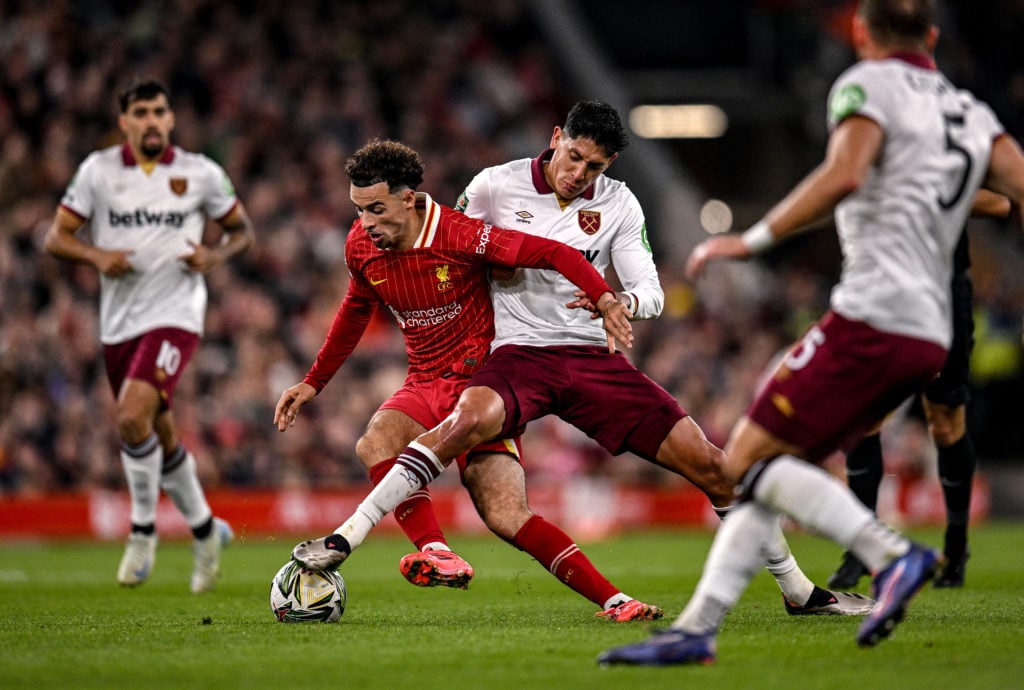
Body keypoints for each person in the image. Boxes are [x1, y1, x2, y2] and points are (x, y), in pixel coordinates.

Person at [289, 101, 872, 620]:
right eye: (572, 156)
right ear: (554, 136)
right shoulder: (494, 185)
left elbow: (652, 291)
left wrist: (623, 301)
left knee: (715, 467)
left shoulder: (620, 205)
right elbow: (456, 246)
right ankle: (351, 538)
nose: (578, 173)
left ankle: (799, 591)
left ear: (608, 165)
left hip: (592, 358)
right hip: (515, 355)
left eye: (594, 166)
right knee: (462, 421)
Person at [598, 0, 1024, 666]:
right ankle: (697, 631)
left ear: (859, 29)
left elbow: (845, 172)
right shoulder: (970, 113)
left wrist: (753, 239)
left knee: (742, 461)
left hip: (872, 315)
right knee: (766, 466)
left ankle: (893, 556)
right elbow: (1018, 190)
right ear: (934, 36)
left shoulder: (866, 85)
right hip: (932, 327)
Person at [273, 138, 648, 612]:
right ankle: (436, 551)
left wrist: (606, 297)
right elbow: (355, 307)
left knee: (507, 515)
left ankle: (615, 600)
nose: (365, 223)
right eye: (359, 209)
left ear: (408, 199)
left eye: (376, 209)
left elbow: (557, 254)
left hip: (479, 387)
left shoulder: (461, 234)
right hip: (423, 381)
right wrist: (313, 381)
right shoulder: (360, 246)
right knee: (375, 441)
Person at [43, 78, 253, 592]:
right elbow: (57, 237)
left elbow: (241, 232)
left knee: (132, 413)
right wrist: (97, 257)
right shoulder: (98, 171)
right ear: (125, 122)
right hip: (119, 322)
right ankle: (205, 530)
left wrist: (213, 256)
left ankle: (142, 530)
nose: (152, 120)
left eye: (160, 111)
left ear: (171, 118)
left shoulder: (199, 172)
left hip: (177, 313)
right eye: (141, 113)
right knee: (155, 428)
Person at [830, 189, 1015, 590]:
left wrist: (920, 193)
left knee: (945, 423)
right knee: (865, 417)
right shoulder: (873, 140)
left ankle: (956, 544)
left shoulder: (953, 139)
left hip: (943, 294)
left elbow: (1000, 202)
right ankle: (861, 550)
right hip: (883, 291)